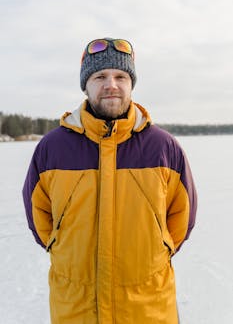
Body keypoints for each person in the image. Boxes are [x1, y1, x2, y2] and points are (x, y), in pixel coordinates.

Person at [23, 37, 197, 324]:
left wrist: (157, 250)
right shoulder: (51, 148)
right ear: (86, 84)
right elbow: (38, 217)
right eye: (100, 76)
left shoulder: (164, 147)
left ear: (131, 84)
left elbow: (182, 217)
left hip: (148, 307)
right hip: (76, 307)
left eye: (120, 76)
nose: (111, 85)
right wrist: (63, 247)